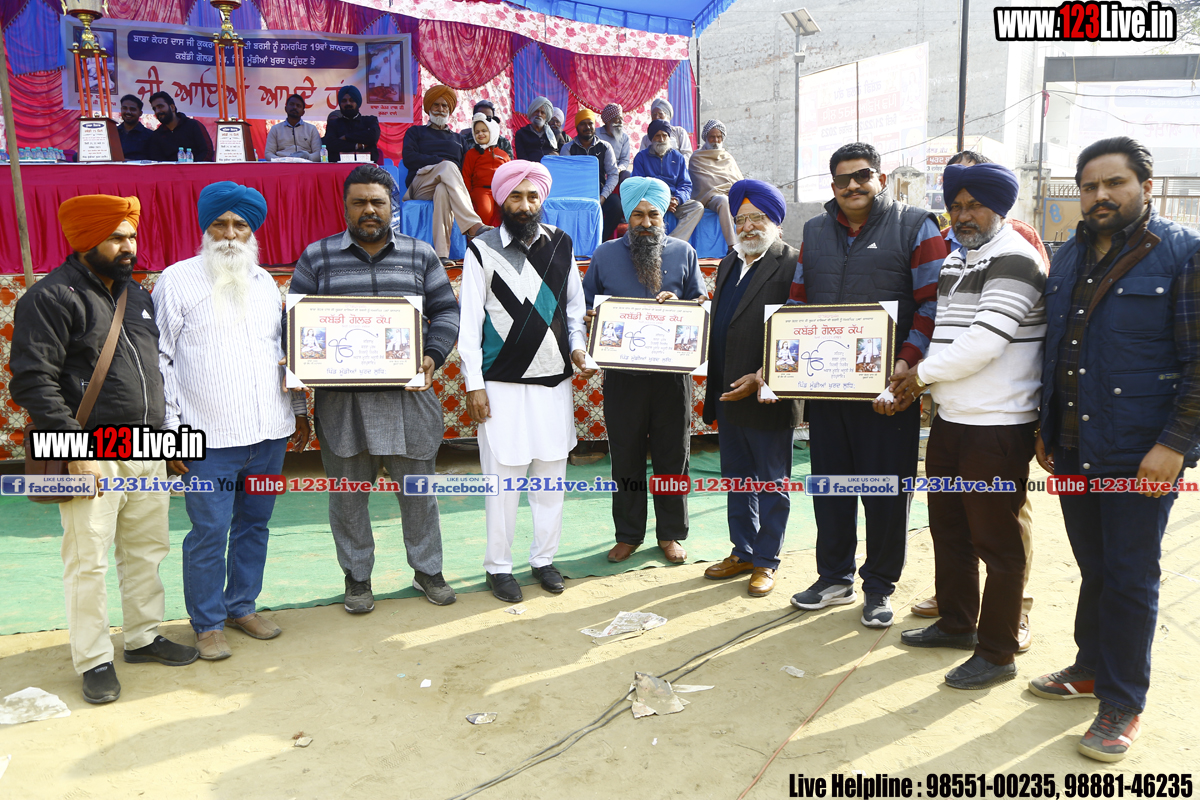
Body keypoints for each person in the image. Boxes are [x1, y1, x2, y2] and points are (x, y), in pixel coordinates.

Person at [1030, 136, 1200, 762]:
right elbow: (1058, 348)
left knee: (1130, 575)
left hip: (1141, 453)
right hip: (1077, 445)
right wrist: (1047, 427)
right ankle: (1091, 668)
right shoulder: (1068, 254)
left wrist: (1175, 444)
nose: (1100, 195)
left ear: (1145, 188)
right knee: (1096, 568)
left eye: (1114, 183)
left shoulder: (1183, 252)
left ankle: (1123, 701)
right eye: (1089, 186)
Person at [10, 195, 199, 704]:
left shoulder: (138, 296)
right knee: (88, 558)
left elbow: (154, 371)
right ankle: (94, 658)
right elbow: (32, 381)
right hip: (89, 449)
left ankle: (143, 637)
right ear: (85, 240)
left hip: (146, 446)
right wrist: (74, 450)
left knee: (146, 549)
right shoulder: (50, 297)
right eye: (116, 237)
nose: (128, 246)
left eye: (131, 236)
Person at [891, 163, 1047, 689]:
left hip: (997, 425)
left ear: (999, 207)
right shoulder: (957, 259)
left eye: (974, 205)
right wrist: (922, 380)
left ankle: (998, 652)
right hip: (953, 419)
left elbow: (984, 342)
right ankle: (957, 622)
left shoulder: (1016, 259)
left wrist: (918, 378)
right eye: (955, 206)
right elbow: (945, 334)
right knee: (950, 528)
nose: (963, 215)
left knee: (997, 542)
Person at [788, 142, 949, 628]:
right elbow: (797, 304)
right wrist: (783, 366)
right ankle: (834, 578)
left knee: (885, 494)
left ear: (880, 177)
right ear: (832, 185)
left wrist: (907, 362)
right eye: (843, 180)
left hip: (888, 390)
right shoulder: (814, 231)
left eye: (862, 176)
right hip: (828, 389)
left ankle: (879, 587)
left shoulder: (915, 225)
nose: (853, 186)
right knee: (831, 488)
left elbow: (932, 303)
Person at [290, 165, 461, 614]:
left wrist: (432, 355)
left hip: (409, 400)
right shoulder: (317, 257)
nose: (369, 210)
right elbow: (295, 326)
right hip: (343, 405)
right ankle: (357, 578)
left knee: (419, 494)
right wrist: (308, 367)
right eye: (359, 202)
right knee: (347, 499)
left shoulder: (420, 254)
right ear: (345, 207)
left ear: (392, 207)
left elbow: (447, 312)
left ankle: (428, 570)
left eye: (377, 202)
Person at [153, 182, 312, 660]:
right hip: (205, 439)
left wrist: (299, 412)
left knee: (255, 525)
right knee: (208, 532)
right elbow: (160, 359)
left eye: (239, 225)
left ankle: (241, 606)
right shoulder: (176, 280)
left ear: (252, 231)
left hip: (269, 435)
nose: (229, 234)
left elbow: (285, 354)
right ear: (205, 228)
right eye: (219, 224)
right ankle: (207, 624)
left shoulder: (265, 283)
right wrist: (169, 432)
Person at [458, 160, 594, 602]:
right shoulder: (481, 249)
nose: (525, 205)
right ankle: (499, 566)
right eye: (515, 196)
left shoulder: (562, 244)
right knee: (503, 481)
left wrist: (578, 348)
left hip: (554, 383)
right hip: (501, 386)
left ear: (542, 199)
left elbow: (574, 310)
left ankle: (543, 560)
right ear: (501, 199)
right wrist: (474, 385)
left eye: (533, 196)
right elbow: (469, 326)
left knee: (550, 477)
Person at [582, 177, 705, 566]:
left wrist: (681, 304)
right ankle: (629, 534)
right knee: (626, 455)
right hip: (622, 377)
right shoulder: (604, 254)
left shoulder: (683, 252)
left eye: (654, 214)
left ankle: (670, 533)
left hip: (672, 379)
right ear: (627, 216)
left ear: (665, 215)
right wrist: (592, 318)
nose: (646, 222)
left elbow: (701, 304)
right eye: (638, 214)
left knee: (673, 455)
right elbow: (585, 305)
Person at [701, 180, 802, 598]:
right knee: (738, 479)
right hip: (729, 393)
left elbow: (800, 329)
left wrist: (764, 374)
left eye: (757, 218)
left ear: (775, 221)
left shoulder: (793, 263)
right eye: (740, 219)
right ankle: (743, 551)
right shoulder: (729, 262)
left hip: (768, 393)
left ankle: (766, 561)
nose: (747, 227)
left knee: (772, 483)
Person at [401, 85, 491, 265]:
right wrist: (439, 162)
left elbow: (465, 169)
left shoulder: (459, 139)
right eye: (436, 105)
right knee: (448, 166)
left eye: (444, 106)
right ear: (429, 108)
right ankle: (472, 225)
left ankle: (441, 255)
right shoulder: (416, 132)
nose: (440, 109)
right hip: (421, 184)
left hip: (448, 184)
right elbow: (409, 158)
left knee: (443, 189)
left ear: (449, 110)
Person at [632, 120, 704, 242]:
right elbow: (638, 185)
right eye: (657, 136)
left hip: (674, 200)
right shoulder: (641, 157)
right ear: (651, 138)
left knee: (697, 207)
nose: (661, 139)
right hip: (652, 199)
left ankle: (673, 241)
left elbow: (685, 185)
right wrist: (663, 199)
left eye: (664, 135)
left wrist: (677, 199)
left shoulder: (678, 157)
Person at [565, 108, 622, 241]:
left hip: (599, 194)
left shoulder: (605, 147)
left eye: (590, 123)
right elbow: (566, 177)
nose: (587, 127)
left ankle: (600, 241)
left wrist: (602, 197)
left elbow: (613, 174)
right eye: (583, 124)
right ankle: (575, 242)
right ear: (577, 127)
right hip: (576, 195)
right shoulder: (568, 148)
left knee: (616, 206)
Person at [688, 119, 745, 248]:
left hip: (731, 193)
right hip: (710, 197)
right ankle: (732, 245)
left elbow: (738, 180)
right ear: (705, 138)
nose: (716, 140)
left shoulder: (728, 157)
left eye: (719, 137)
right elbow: (704, 183)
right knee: (723, 200)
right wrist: (726, 189)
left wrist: (734, 191)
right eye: (712, 137)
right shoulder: (697, 157)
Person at [462, 113, 511, 228]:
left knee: (508, 211)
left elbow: (509, 176)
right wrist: (466, 196)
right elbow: (466, 175)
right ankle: (478, 235)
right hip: (481, 190)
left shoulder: (503, 155)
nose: (480, 134)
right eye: (477, 132)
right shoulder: (471, 154)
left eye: (484, 131)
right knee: (486, 211)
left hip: (500, 190)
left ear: (492, 131)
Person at [146, 92, 214, 162]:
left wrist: (193, 167)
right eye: (154, 109)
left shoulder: (193, 125)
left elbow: (207, 151)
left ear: (172, 107)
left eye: (160, 107)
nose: (157, 111)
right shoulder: (157, 135)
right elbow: (157, 161)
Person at [324, 85, 381, 163]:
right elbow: (331, 144)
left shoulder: (370, 120)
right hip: (339, 168)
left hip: (367, 168)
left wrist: (346, 137)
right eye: (344, 101)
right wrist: (358, 145)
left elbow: (373, 136)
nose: (348, 103)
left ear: (358, 102)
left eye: (352, 100)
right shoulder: (333, 124)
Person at [265, 94, 323, 161]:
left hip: (306, 164)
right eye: (292, 104)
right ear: (285, 109)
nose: (295, 107)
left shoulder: (311, 129)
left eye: (298, 106)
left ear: (303, 112)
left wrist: (308, 157)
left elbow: (318, 153)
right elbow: (268, 153)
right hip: (282, 164)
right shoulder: (275, 129)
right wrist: (281, 161)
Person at [638, 98, 693, 164]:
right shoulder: (646, 138)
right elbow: (641, 159)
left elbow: (687, 154)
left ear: (668, 116)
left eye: (660, 114)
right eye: (654, 115)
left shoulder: (679, 132)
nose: (656, 117)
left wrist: (677, 166)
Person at [514, 96, 560, 162]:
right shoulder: (522, 133)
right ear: (532, 112)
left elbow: (563, 154)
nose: (539, 114)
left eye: (542, 112)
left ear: (546, 116)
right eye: (536, 111)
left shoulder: (555, 133)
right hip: (531, 167)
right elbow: (522, 158)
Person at [597, 103, 633, 181]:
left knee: (627, 174)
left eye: (621, 118)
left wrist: (618, 169)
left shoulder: (624, 138)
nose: (620, 122)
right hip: (598, 170)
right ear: (608, 121)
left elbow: (624, 160)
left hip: (617, 172)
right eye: (617, 118)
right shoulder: (596, 134)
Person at [117, 94, 152, 161]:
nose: (128, 112)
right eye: (125, 108)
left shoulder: (150, 135)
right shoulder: (112, 133)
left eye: (132, 109)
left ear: (140, 113)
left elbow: (152, 161)